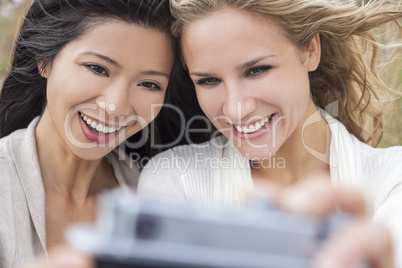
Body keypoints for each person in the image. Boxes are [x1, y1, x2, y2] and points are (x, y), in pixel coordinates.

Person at [138, 0, 402, 267]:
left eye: (257, 70)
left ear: (311, 50)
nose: (235, 109)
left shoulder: (393, 180)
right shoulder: (175, 183)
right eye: (209, 81)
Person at [0, 0, 175, 267]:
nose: (116, 106)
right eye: (97, 68)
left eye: (148, 84)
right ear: (45, 60)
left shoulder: (156, 198)